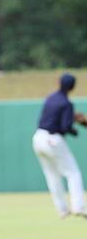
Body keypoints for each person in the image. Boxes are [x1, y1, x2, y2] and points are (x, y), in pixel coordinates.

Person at [32, 73, 87, 219]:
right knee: (73, 173)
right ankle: (78, 206)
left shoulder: (50, 98)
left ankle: (62, 209)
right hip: (53, 139)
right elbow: (65, 126)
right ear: (73, 88)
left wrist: (69, 120)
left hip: (38, 138)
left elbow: (53, 119)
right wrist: (75, 130)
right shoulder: (67, 104)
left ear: (58, 83)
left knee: (52, 175)